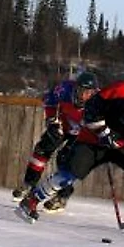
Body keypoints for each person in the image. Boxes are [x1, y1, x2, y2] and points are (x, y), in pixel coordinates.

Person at [16, 67, 124, 234]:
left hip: (121, 145)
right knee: (68, 174)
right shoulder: (122, 89)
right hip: (92, 140)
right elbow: (92, 108)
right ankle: (32, 200)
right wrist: (102, 131)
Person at [12, 71, 99, 211]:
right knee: (43, 148)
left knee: (67, 160)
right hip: (64, 124)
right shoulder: (64, 89)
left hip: (83, 133)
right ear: (75, 87)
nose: (84, 96)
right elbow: (50, 101)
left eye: (88, 93)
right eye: (81, 90)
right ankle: (28, 184)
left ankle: (62, 197)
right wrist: (52, 121)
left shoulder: (100, 103)